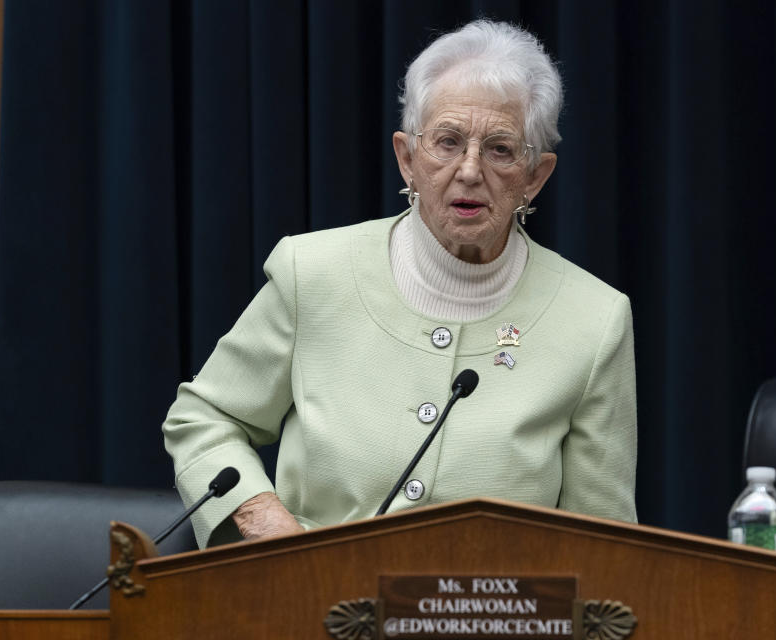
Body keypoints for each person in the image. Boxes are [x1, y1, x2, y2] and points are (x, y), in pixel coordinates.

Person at [163, 20, 637, 549]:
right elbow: (204, 419)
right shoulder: (313, 272)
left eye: (501, 149)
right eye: (447, 142)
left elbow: (604, 546)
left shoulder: (594, 320)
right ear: (407, 159)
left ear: (537, 176)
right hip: (311, 608)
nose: (470, 170)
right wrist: (269, 529)